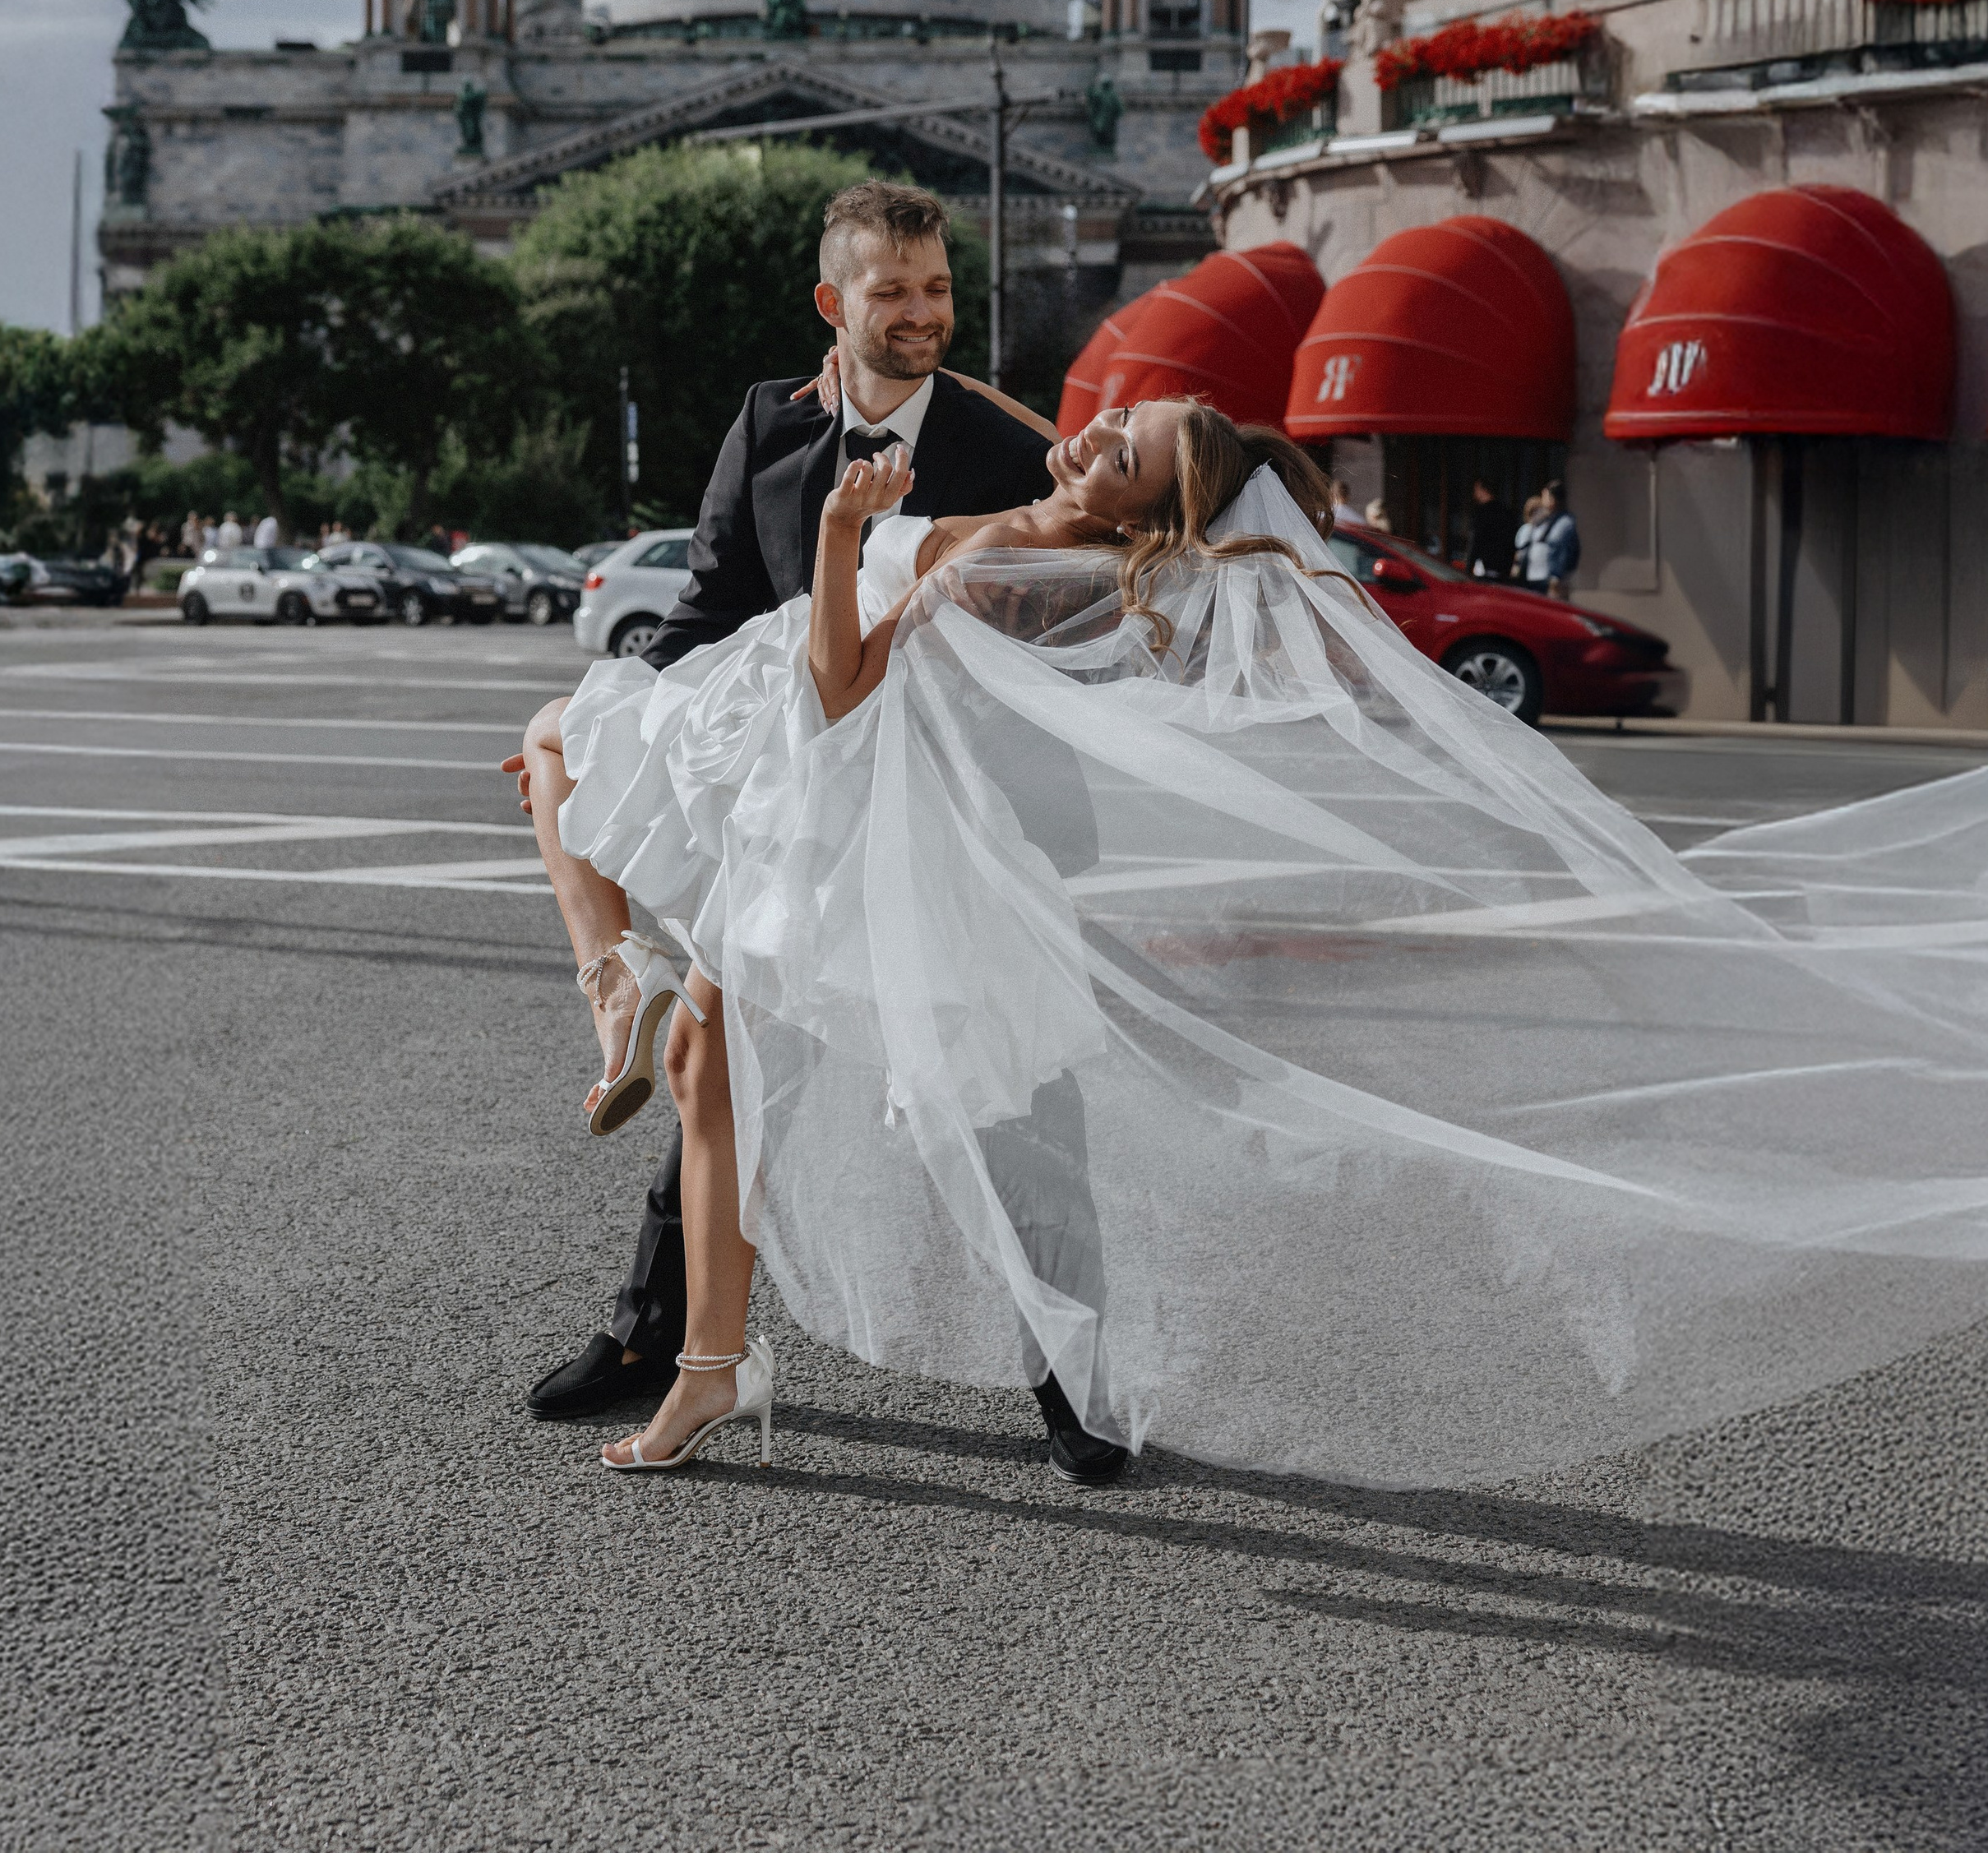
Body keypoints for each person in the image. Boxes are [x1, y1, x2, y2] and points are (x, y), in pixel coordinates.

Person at [515, 393, 1988, 1490]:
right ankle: (698, 1302)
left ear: (1137, 515)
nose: (1087, 438)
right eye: (1105, 423)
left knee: (635, 889)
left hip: (814, 779)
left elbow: (841, 686)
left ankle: (688, 1243)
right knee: (696, 1029)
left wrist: (845, 540)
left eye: (1121, 454)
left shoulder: (1023, 573)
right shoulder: (1040, 524)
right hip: (786, 767)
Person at [512, 183, 1075, 1449]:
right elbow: (707, 600)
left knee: (1006, 1099)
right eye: (896, 292)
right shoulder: (769, 420)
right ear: (836, 302)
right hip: (782, 800)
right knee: (723, 1066)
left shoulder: (1003, 442)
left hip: (940, 807)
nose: (925, 312)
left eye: (938, 289)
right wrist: (625, 730)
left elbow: (1052, 642)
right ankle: (658, 1331)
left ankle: (1070, 1375)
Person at [1463, 478, 1517, 582]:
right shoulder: (1507, 512)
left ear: (1483, 490)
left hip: (1485, 569)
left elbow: (1475, 541)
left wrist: (1468, 569)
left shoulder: (1481, 513)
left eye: (1476, 490)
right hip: (1504, 570)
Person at [1537, 479, 1579, 598]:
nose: (1543, 500)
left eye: (1545, 496)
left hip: (1555, 583)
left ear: (1553, 498)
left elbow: (1562, 552)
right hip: (1543, 580)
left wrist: (1556, 579)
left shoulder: (1565, 524)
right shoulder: (1549, 519)